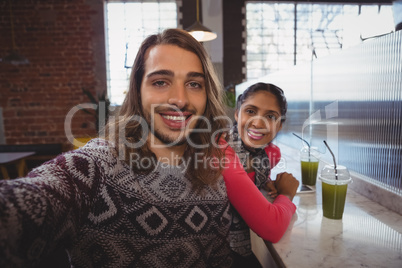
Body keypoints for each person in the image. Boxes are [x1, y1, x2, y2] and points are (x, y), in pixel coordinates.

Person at [0, 28, 231, 268]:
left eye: (194, 84)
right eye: (160, 82)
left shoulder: (213, 178)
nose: (180, 99)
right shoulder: (99, 164)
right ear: (138, 91)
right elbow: (33, 202)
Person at [222, 82, 298, 267]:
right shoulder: (222, 151)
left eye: (270, 116)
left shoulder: (271, 154)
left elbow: (247, 183)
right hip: (220, 254)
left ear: (279, 125)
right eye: (250, 111)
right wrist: (287, 193)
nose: (258, 123)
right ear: (236, 114)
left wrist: (265, 182)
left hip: (247, 248)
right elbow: (272, 228)